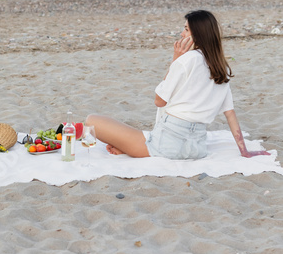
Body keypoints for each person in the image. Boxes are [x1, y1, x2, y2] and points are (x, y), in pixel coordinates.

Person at [85, 10, 270, 159]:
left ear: (198, 34)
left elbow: (159, 101)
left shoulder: (186, 59)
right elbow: (230, 114)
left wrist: (175, 60)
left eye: (186, 30)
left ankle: (132, 148)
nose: (182, 33)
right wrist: (243, 151)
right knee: (136, 135)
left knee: (91, 120)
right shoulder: (220, 67)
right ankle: (128, 148)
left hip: (167, 142)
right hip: (196, 149)